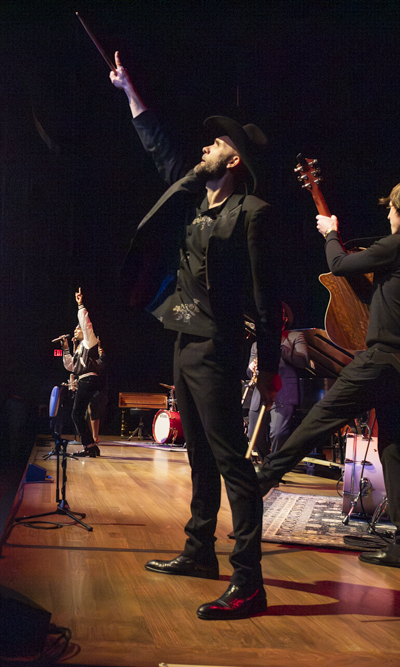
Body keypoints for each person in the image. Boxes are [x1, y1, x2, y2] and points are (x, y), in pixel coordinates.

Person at [111, 52, 281, 620]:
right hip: (185, 338)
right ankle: (198, 550)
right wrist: (131, 93)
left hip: (220, 344)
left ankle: (250, 581)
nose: (203, 149)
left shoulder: (251, 212)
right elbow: (163, 153)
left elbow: (266, 297)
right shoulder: (191, 203)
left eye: (213, 145)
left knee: (232, 461)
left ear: (233, 157)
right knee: (200, 456)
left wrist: (272, 366)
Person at [257, 175, 400, 570]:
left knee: (319, 419)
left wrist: (331, 233)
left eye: (391, 208)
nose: (388, 214)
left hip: (385, 359)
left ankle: (259, 482)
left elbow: (340, 265)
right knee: (399, 453)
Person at [247, 303, 311, 459]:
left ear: (284, 318)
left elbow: (303, 360)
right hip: (261, 392)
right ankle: (266, 462)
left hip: (284, 392)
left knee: (278, 433)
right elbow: (249, 372)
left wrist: (279, 347)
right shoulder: (257, 344)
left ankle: (273, 466)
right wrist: (252, 367)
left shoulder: (296, 337)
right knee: (253, 433)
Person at [62, 288, 103, 458]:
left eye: (77, 329)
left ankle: (90, 446)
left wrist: (80, 305)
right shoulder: (80, 348)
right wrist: (65, 348)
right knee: (77, 413)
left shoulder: (89, 341)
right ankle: (90, 446)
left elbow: (86, 324)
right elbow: (71, 366)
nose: (75, 330)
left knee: (76, 413)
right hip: (84, 380)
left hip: (89, 380)